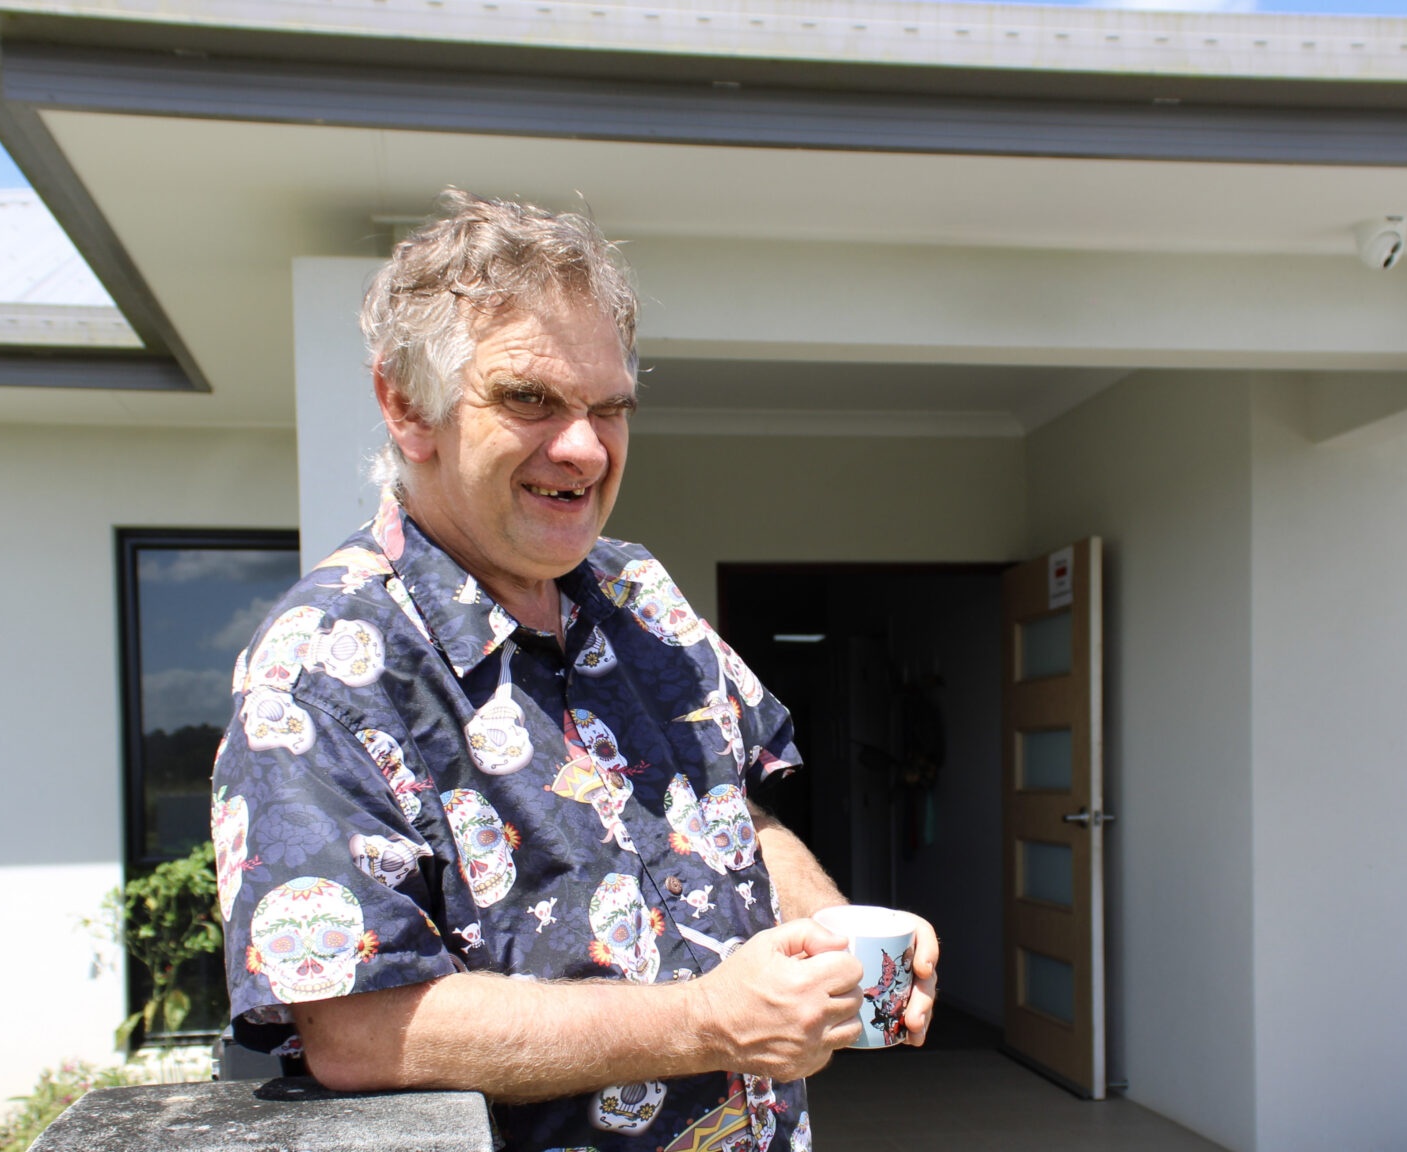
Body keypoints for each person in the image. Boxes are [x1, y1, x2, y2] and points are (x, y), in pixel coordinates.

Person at [210, 189, 939, 1152]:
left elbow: (731, 817)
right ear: (405, 405)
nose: (586, 448)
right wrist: (711, 1019)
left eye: (609, 408)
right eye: (529, 399)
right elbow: (355, 1029)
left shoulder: (639, 590)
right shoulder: (326, 667)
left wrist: (839, 932)